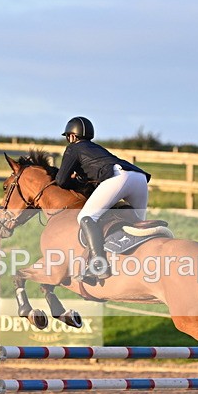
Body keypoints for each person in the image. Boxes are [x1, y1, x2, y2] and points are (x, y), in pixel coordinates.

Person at [55, 116, 150, 281]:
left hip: (119, 178)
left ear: (72, 136)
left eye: (68, 137)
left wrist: (73, 180)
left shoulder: (73, 148)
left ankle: (99, 265)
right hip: (139, 177)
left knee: (86, 217)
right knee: (138, 225)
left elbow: (61, 181)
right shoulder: (96, 148)